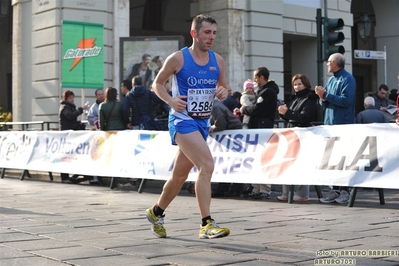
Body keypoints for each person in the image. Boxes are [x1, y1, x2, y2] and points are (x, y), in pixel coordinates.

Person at [146, 14, 230, 239]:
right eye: (207, 33)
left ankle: (156, 212)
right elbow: (157, 84)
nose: (211, 37)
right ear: (194, 33)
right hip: (182, 121)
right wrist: (171, 101)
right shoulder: (178, 58)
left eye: (214, 33)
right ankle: (206, 224)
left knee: (179, 177)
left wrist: (223, 91)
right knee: (207, 166)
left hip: (202, 122)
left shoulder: (217, 60)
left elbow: (223, 87)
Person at [315, 53, 356, 204]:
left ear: (336, 63)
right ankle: (336, 190)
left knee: (343, 158)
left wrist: (325, 95)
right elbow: (324, 103)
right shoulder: (331, 80)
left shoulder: (348, 79)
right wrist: (322, 97)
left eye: (329, 62)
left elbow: (346, 101)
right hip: (330, 124)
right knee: (333, 159)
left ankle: (345, 190)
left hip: (343, 124)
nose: (327, 64)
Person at [235, 67, 278, 200]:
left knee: (263, 158)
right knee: (255, 159)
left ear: (261, 77)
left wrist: (244, 109)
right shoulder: (262, 92)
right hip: (256, 128)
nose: (254, 80)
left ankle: (264, 189)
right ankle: (256, 187)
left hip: (262, 128)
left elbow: (258, 109)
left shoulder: (268, 92)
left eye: (255, 77)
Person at [277, 74, 318, 202]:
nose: (297, 87)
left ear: (305, 84)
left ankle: (302, 193)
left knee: (301, 163)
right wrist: (283, 113)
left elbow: (304, 117)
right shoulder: (295, 99)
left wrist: (287, 113)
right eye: (295, 84)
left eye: (299, 84)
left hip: (303, 135)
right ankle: (286, 192)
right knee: (287, 162)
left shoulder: (310, 99)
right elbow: (292, 116)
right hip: (292, 133)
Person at [207, 99, 243, 198]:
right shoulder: (215, 105)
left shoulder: (215, 107)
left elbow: (220, 124)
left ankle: (233, 188)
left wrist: (211, 128)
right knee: (227, 162)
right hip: (230, 134)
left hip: (232, 135)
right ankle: (225, 188)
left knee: (232, 162)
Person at [58, 90, 89, 183]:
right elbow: (70, 116)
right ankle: (64, 177)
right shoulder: (64, 107)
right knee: (65, 156)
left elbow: (72, 121)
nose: (72, 99)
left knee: (71, 156)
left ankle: (71, 176)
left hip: (71, 134)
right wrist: (81, 109)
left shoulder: (70, 107)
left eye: (72, 97)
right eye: (70, 98)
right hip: (66, 135)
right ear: (66, 99)